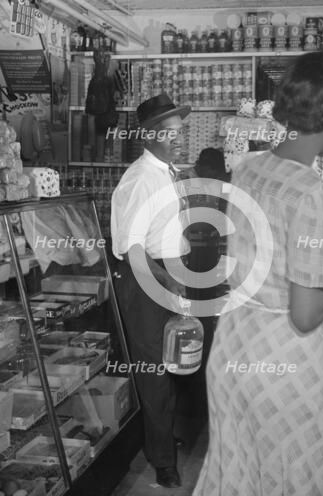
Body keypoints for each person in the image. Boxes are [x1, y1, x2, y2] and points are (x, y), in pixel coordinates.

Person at [193, 49, 323, 496]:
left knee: (239, 471)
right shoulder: (314, 194)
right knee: (303, 474)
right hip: (283, 360)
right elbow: (306, 316)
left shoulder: (249, 168)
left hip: (234, 345)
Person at [111, 93, 191, 489]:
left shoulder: (166, 171)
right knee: (155, 373)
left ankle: (164, 437)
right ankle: (163, 461)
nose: (179, 137)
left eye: (180, 130)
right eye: (172, 132)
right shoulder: (141, 179)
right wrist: (169, 282)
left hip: (169, 276)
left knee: (175, 363)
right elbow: (133, 248)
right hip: (148, 283)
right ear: (151, 134)